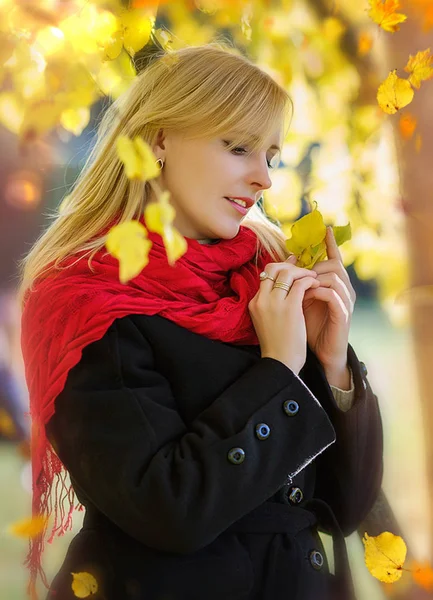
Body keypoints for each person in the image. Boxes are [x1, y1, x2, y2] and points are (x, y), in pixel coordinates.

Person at [18, 40, 383, 600]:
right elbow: (170, 509)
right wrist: (279, 371)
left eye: (272, 156)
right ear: (160, 138)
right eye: (239, 147)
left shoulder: (270, 273)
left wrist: (333, 368)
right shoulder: (84, 299)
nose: (264, 178)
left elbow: (342, 510)